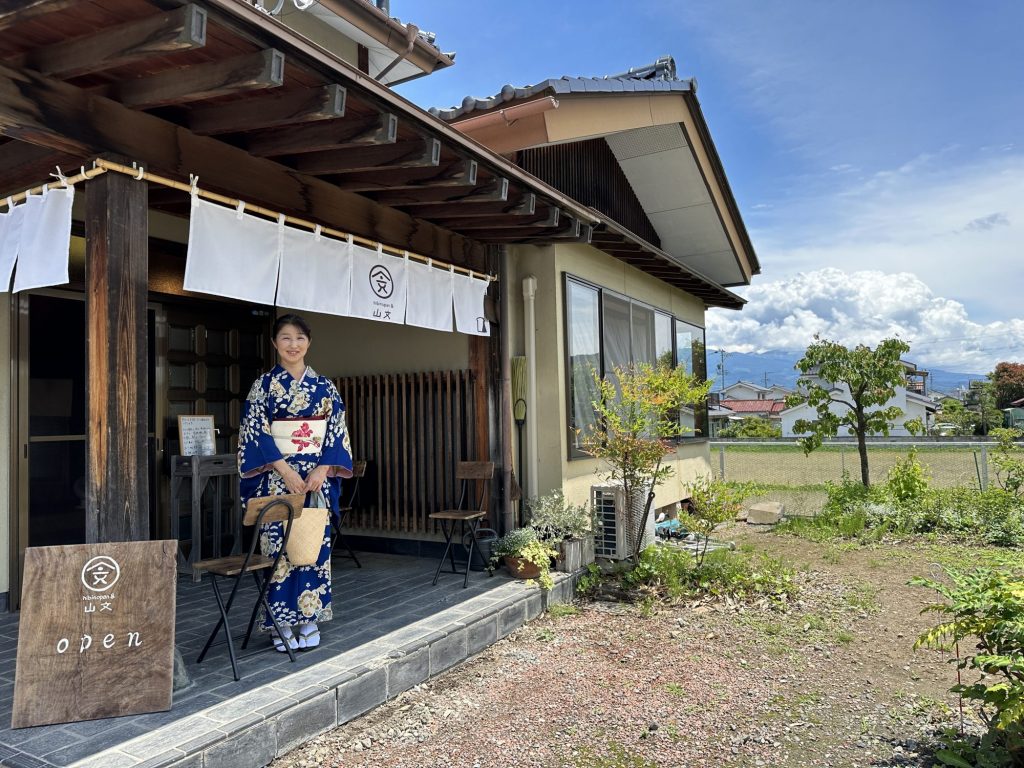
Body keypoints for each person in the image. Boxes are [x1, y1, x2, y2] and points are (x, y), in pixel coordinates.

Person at [238, 313, 353, 652]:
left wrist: (322, 470)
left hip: (316, 481)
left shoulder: (324, 387)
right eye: (285, 338)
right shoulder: (263, 387)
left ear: (309, 342)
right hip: (276, 479)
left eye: (300, 338)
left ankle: (309, 617)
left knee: (313, 548)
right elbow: (255, 433)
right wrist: (284, 470)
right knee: (278, 549)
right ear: (275, 343)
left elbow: (336, 432)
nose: (293, 344)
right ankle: (280, 622)